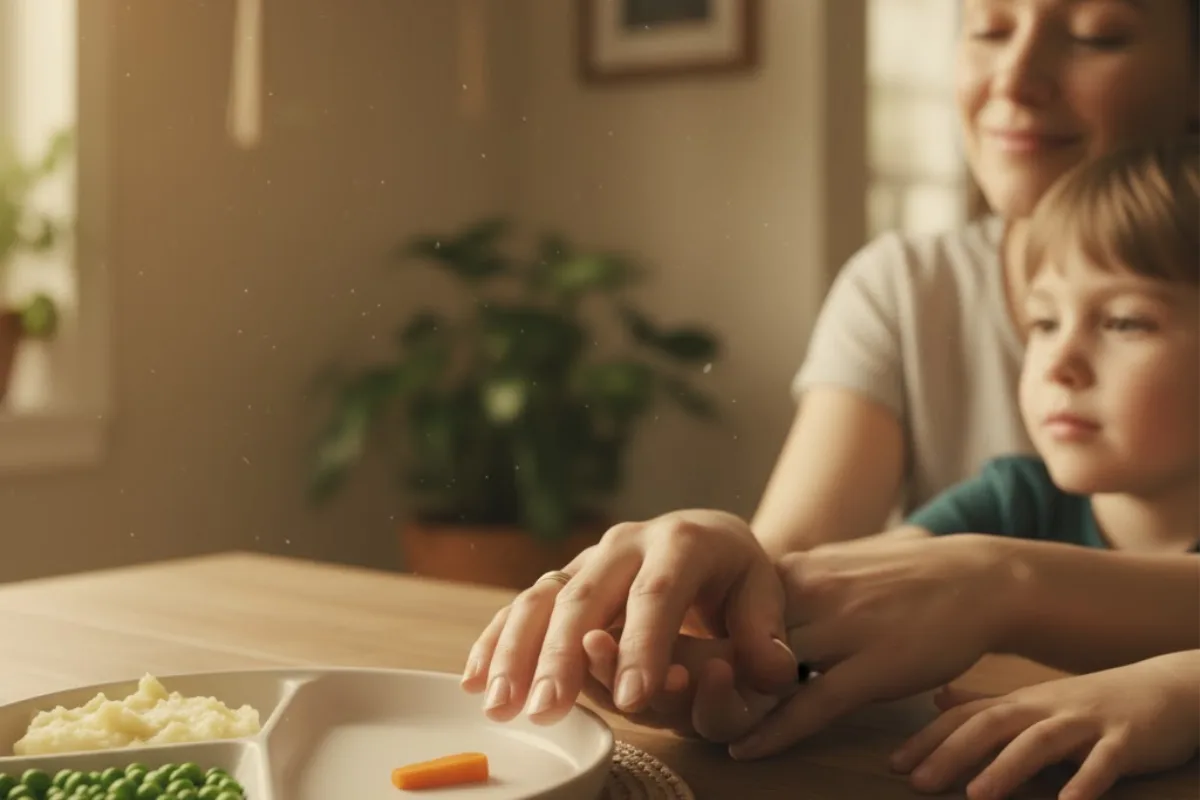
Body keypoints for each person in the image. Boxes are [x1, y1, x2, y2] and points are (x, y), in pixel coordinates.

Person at [460, 0, 1200, 754]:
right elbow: (796, 579)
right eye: (987, 28)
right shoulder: (907, 289)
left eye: (1095, 35)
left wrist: (1007, 583)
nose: (1015, 80)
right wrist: (715, 583)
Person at [576, 139, 1200, 799]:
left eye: (1126, 322)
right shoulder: (1010, 498)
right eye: (1043, 321)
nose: (1059, 362)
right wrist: (713, 608)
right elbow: (853, 586)